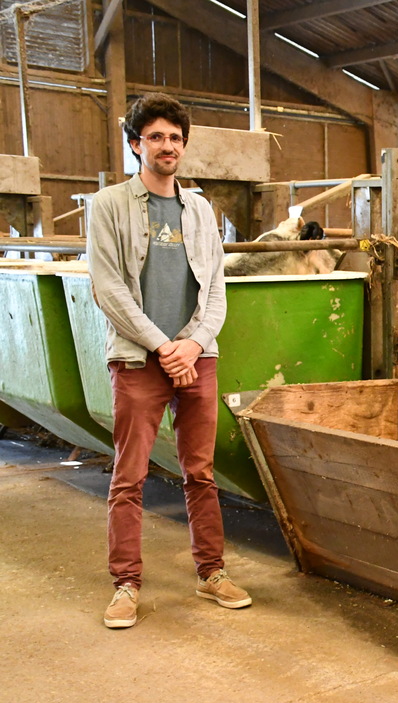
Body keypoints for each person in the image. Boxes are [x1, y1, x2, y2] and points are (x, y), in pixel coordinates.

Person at [88, 92, 251, 629]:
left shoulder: (200, 209)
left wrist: (192, 345)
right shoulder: (109, 205)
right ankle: (126, 584)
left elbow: (217, 291)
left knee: (200, 472)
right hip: (140, 356)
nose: (167, 146)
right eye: (155, 137)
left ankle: (211, 572)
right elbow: (109, 289)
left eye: (175, 138)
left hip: (195, 355)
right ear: (136, 144)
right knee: (129, 476)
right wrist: (163, 347)